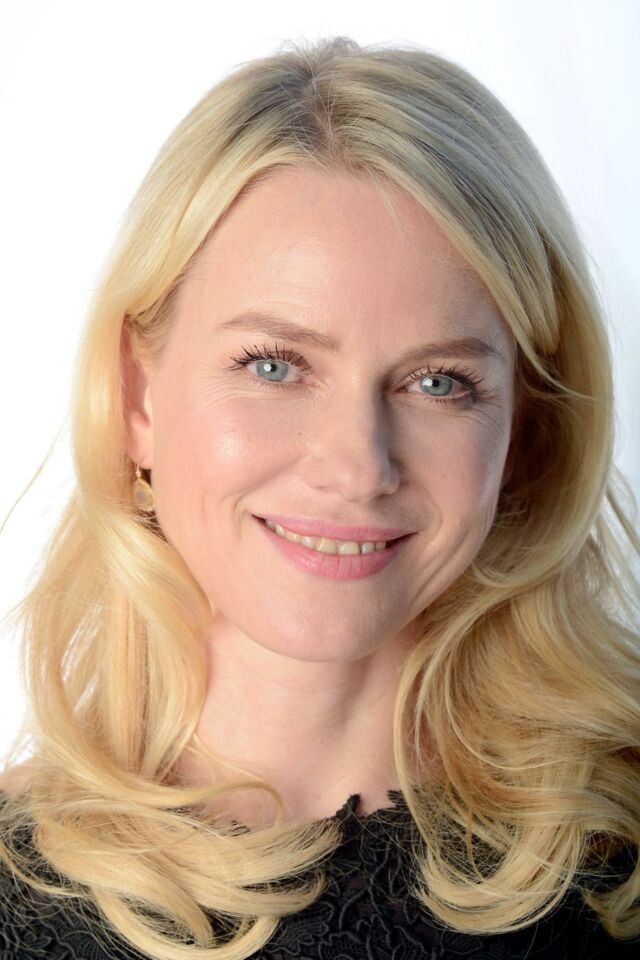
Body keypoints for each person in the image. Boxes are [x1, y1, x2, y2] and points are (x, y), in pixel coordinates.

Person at [0, 34, 638, 960]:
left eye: (438, 383)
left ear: (522, 435)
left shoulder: (622, 855)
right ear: (138, 399)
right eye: (274, 365)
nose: (356, 465)